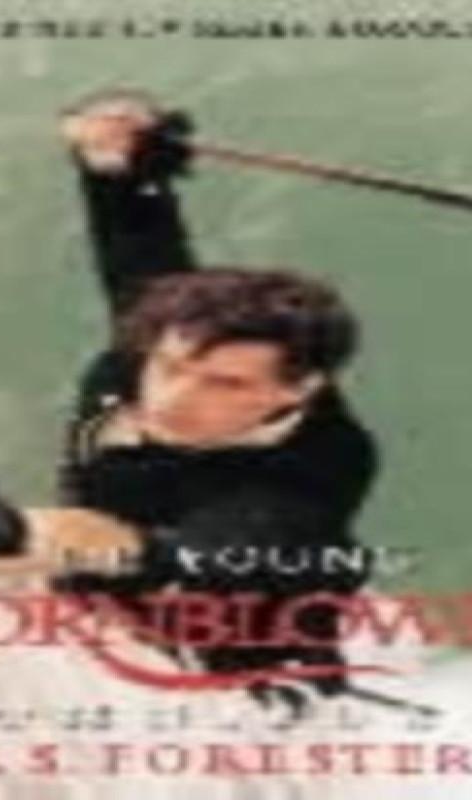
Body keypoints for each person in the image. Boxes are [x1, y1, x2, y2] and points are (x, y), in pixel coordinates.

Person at [53, 90, 380, 707]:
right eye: (171, 367)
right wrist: (116, 157)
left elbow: (212, 549)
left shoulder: (323, 464)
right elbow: (138, 244)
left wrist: (44, 537)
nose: (173, 399)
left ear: (298, 389)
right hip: (89, 606)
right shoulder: (157, 343)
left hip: (241, 680)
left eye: (226, 384)